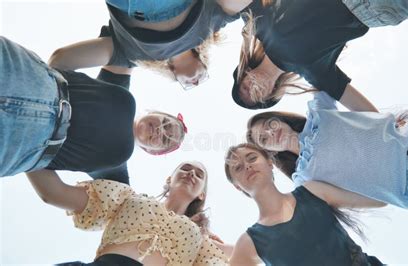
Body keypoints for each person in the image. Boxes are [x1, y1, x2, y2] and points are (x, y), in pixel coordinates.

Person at [247, 91, 408, 230]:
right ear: (270, 152)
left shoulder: (319, 112)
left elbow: (321, 71)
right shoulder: (305, 180)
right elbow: (376, 201)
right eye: (263, 138)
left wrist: (378, 124)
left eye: (270, 124)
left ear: (280, 118)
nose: (271, 132)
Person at [0, 37, 186, 184]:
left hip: (17, 144)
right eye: (165, 122)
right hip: (26, 77)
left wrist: (30, 158)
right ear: (154, 111)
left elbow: (129, 213)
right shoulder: (120, 93)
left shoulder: (115, 169)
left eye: (164, 139)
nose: (161, 130)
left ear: (152, 152)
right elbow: (131, 46)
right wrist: (181, 56)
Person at [226, 0, 408, 110]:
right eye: (255, 97)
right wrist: (384, 124)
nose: (251, 89)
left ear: (244, 72)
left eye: (244, 87)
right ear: (271, 95)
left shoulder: (259, 25)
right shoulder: (313, 72)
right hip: (377, 10)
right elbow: (351, 100)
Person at [27, 161, 231, 265]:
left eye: (199, 174)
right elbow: (54, 194)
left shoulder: (199, 239)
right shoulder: (127, 197)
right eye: (185, 168)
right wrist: (22, 149)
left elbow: (250, 251)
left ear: (201, 195)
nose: (191, 174)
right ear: (169, 179)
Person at [224, 143, 383, 265]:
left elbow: (377, 199)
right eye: (238, 168)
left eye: (252, 158)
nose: (247, 166)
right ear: (237, 186)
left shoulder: (312, 191)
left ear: (270, 163)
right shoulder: (249, 242)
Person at [48, 0, 240, 90]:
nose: (195, 81)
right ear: (204, 62)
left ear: (173, 75)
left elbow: (60, 60)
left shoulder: (135, 57)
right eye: (202, 78)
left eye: (188, 85)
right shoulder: (210, 29)